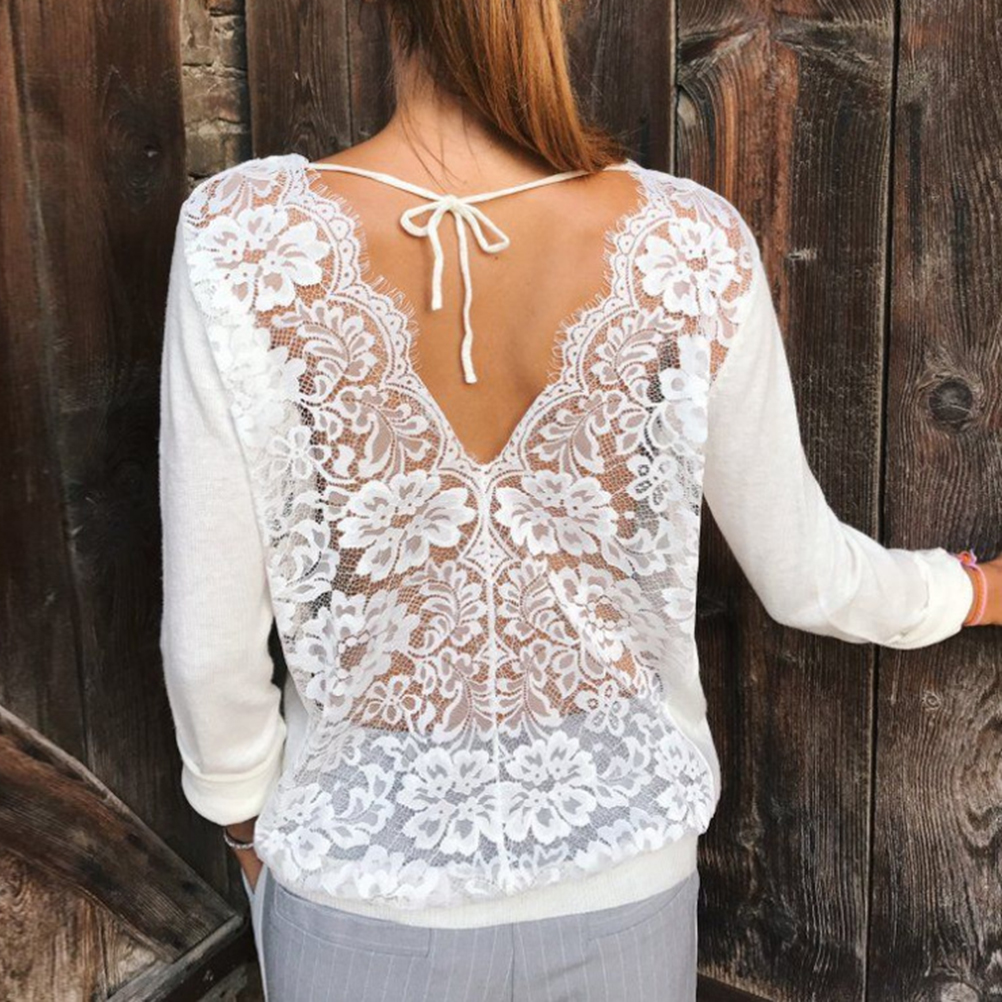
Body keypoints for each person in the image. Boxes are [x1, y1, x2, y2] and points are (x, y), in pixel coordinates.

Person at [157, 1, 999, 998]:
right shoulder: (687, 243)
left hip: (359, 902)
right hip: (623, 893)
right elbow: (808, 574)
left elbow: (208, 646)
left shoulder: (243, 239)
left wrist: (246, 826)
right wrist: (972, 592)